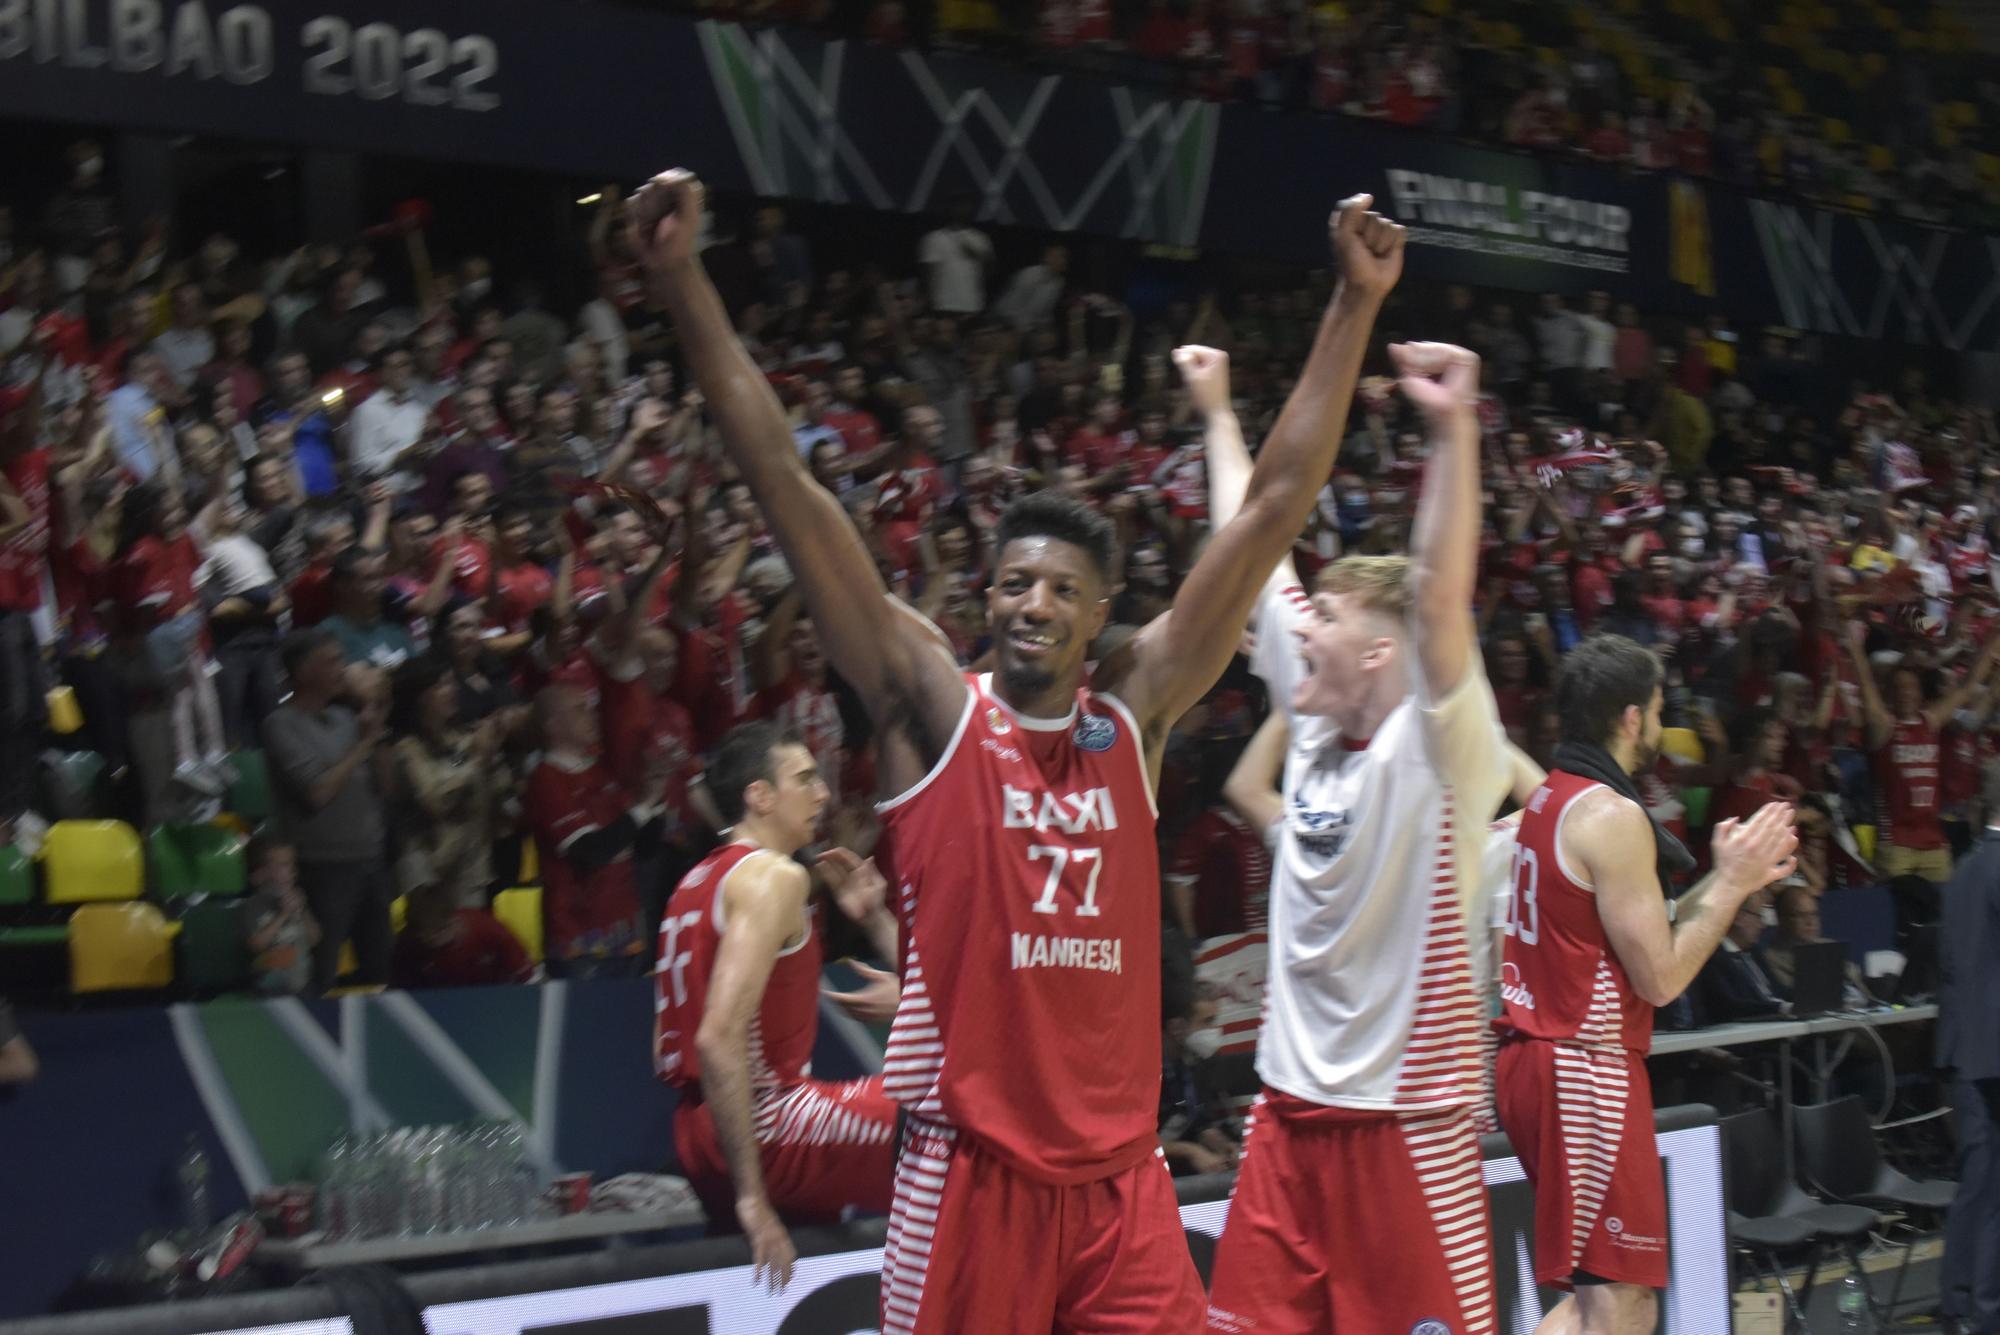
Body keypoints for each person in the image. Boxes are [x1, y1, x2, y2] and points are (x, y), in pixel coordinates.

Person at [628, 165, 1404, 1327]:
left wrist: (1354, 303)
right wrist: (682, 276)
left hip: (1116, 1187)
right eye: (1011, 584)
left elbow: (1273, 504)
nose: (1029, 603)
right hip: (965, 1178)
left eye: (1059, 589)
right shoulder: (931, 707)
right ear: (986, 601)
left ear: (1100, 616)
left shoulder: (1131, 712)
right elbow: (783, 481)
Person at [1201, 344, 1513, 1334]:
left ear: (1377, 649)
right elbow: (1250, 549)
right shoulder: (1320, 730)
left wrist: (1451, 428)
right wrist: (1213, 407)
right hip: (1285, 1123)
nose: (1296, 632)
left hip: (1406, 1134)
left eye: (1322, 617)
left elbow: (1434, 596)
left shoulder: (1438, 747)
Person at [1493, 634, 1797, 1334]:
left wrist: (1723, 879)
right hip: (1582, 1066)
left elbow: (1642, 933)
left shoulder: (1552, 797)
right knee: (1621, 1301)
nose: (1662, 723)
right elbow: (1659, 977)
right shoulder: (1612, 814)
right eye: (1660, 708)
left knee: (1607, 1298)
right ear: (1632, 718)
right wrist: (1736, 887)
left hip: (1541, 1058)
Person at [654, 722, 898, 1284]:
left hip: (698, 1129)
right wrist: (752, 1198)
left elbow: (665, 1040)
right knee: (960, 1109)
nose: (824, 795)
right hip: (765, 1126)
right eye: (806, 779)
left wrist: (870, 917)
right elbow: (716, 1037)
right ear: (759, 796)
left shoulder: (692, 884)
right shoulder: (773, 878)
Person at [263, 629, 395, 992]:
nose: (344, 669)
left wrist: (378, 729)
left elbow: (386, 787)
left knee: (380, 975)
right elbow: (317, 793)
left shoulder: (346, 719)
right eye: (333, 661)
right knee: (319, 976)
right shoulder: (281, 724)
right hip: (323, 868)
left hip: (371, 860)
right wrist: (362, 744)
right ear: (304, 672)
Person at [1939, 759, 2000, 1335]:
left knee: (1981, 1185)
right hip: (1991, 1056)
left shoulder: (1965, 869)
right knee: (1989, 1192)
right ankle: (1979, 1311)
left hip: (1971, 1050)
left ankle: (1962, 1301)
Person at [241, 832, 317, 996]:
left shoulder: (297, 901)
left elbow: (314, 938)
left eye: (287, 865)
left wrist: (302, 911)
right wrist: (282, 915)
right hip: (268, 986)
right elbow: (257, 945)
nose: (282, 873)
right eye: (275, 866)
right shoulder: (254, 905)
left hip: (301, 984)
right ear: (259, 873)